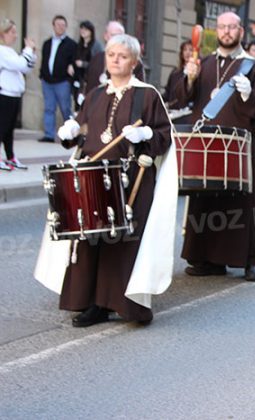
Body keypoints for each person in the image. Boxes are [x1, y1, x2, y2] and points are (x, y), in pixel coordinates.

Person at [35, 34, 177, 327]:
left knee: (123, 241)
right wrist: (71, 133)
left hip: (132, 177)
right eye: (111, 54)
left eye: (122, 56)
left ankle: (123, 304)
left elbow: (165, 137)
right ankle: (91, 303)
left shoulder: (148, 94)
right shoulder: (96, 94)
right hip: (94, 175)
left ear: (134, 62)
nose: (115, 59)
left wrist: (147, 135)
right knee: (89, 239)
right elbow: (84, 133)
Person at [175, 12, 255, 281]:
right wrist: (190, 80)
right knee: (205, 201)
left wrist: (248, 94)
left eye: (232, 27)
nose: (227, 32)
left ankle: (247, 260)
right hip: (207, 142)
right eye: (222, 27)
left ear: (241, 31)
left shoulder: (254, 67)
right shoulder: (204, 63)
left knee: (242, 203)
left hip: (240, 145)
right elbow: (182, 99)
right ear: (216, 31)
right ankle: (206, 259)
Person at [0, 18, 36, 171]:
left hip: (14, 95)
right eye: (12, 32)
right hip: (5, 95)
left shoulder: (10, 51)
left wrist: (31, 53)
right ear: (3, 34)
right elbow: (20, 64)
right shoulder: (1, 51)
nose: (15, 35)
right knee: (2, 127)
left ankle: (10, 157)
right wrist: (27, 50)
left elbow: (25, 68)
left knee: (9, 129)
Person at [38, 15, 76, 143]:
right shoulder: (47, 43)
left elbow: (73, 62)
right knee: (49, 108)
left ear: (66, 27)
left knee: (65, 109)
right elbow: (44, 60)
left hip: (62, 82)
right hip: (47, 81)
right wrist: (42, 75)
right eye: (58, 25)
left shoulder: (71, 44)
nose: (60, 27)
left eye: (63, 25)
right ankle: (49, 134)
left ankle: (70, 136)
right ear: (53, 26)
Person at [84, 21, 144, 95]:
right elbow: (88, 83)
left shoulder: (134, 61)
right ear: (105, 36)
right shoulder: (96, 58)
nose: (117, 40)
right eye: (114, 35)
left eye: (120, 36)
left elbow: (139, 90)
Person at [71, 20, 103, 109]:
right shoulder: (79, 45)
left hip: (89, 80)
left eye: (85, 29)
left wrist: (83, 64)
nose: (83, 31)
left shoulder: (96, 45)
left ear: (91, 31)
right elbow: (74, 59)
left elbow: (98, 63)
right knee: (77, 104)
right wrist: (71, 65)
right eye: (81, 29)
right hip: (78, 79)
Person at [162, 39, 193, 119]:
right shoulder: (175, 73)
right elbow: (167, 93)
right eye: (185, 50)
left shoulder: (198, 73)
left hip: (188, 114)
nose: (187, 53)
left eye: (190, 50)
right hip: (174, 114)